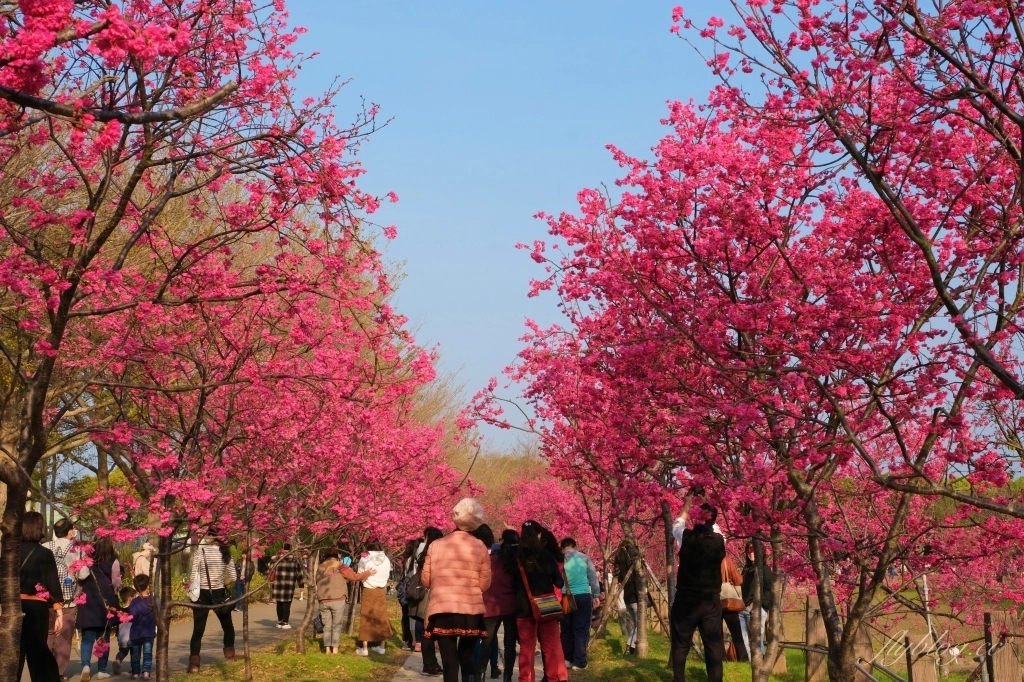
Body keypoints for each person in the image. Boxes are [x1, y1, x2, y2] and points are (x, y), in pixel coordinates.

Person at [421, 498, 491, 682]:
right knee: (466, 656)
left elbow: (426, 580)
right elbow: (484, 584)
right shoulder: (480, 546)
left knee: (449, 661)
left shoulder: (436, 545)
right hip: (470, 610)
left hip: (442, 608)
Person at [670, 504, 727, 682]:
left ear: (696, 518)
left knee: (680, 644)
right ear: (713, 520)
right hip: (710, 601)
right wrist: (707, 506)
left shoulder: (686, 537)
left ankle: (679, 679)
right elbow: (716, 528)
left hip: (686, 600)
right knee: (714, 645)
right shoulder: (719, 540)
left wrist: (687, 505)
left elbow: (677, 524)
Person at [514, 520, 567, 682]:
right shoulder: (547, 556)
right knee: (550, 647)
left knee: (526, 648)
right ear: (538, 534)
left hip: (524, 607)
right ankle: (553, 678)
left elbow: (512, 583)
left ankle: (526, 679)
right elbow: (559, 582)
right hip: (547, 607)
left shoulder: (516, 558)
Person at [18, 510, 64, 682]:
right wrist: (59, 611)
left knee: (14, 652)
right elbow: (52, 583)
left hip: (13, 605)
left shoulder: (10, 553)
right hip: (37, 608)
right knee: (38, 650)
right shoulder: (44, 553)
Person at [187, 536, 237, 673]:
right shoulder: (225, 552)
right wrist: (220, 584)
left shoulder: (201, 552)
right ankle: (230, 655)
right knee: (227, 626)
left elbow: (193, 577)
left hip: (201, 594)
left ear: (212, 537)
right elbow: (233, 576)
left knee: (198, 630)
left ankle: (194, 664)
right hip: (219, 593)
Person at [78, 535, 122, 682]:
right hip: (106, 602)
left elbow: (80, 576)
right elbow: (117, 583)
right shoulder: (113, 560)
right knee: (104, 637)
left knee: (87, 637)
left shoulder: (86, 557)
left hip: (87, 600)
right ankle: (102, 670)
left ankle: (85, 666)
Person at [44, 517, 83, 679]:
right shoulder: (77, 550)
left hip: (47, 599)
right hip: (68, 601)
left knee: (48, 634)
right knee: (64, 638)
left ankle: (45, 669)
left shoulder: (45, 547)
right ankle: (59, 672)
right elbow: (84, 573)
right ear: (69, 531)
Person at [316, 546, 372, 654]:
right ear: (337, 555)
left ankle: (327, 649)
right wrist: (368, 572)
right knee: (337, 625)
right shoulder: (341, 566)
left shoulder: (320, 567)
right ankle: (335, 649)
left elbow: (316, 581)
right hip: (338, 598)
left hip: (323, 599)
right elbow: (354, 577)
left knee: (326, 625)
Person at [481, 529, 519, 682]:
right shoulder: (518, 561)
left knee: (487, 642)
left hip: (491, 605)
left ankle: (481, 673)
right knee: (510, 644)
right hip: (511, 606)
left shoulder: (492, 558)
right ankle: (507, 676)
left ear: (502, 541)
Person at [559, 538, 600, 670]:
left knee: (566, 629)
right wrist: (596, 594)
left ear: (562, 547)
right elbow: (593, 577)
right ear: (574, 546)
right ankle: (580, 662)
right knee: (581, 629)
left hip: (565, 598)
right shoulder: (584, 557)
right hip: (583, 596)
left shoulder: (558, 558)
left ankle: (567, 659)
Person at [410, 527, 444, 676]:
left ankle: (430, 663)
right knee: (429, 632)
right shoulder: (438, 554)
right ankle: (430, 664)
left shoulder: (426, 554)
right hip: (432, 595)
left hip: (427, 595)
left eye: (424, 537)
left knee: (427, 632)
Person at [356, 542, 393, 655]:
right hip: (381, 589)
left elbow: (360, 574)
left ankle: (365, 648)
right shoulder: (386, 559)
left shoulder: (365, 558)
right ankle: (382, 646)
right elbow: (388, 573)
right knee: (382, 616)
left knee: (366, 616)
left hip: (368, 589)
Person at [740, 542, 775, 657]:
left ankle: (761, 664)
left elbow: (768, 589)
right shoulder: (746, 569)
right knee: (744, 639)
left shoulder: (764, 569)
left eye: (753, 550)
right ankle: (750, 664)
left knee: (756, 639)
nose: (750, 553)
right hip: (743, 608)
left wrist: (759, 606)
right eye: (748, 550)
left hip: (756, 609)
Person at [613, 539, 641, 656]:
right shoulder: (634, 569)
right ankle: (630, 647)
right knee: (638, 625)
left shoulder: (621, 570)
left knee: (636, 624)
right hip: (635, 596)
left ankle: (631, 647)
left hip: (627, 598)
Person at [721, 551, 748, 662]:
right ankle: (743, 660)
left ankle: (720, 660)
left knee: (716, 636)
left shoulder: (704, 560)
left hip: (711, 602)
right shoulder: (725, 560)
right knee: (737, 635)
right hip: (728, 602)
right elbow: (738, 579)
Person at [128, 574, 157, 679]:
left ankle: (135, 673)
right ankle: (146, 672)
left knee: (135, 655)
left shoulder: (134, 603)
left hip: (136, 633)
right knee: (147, 653)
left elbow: (131, 617)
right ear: (148, 586)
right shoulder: (153, 601)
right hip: (149, 632)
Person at [269, 543, 304, 628]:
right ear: (290, 549)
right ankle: (285, 622)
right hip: (289, 584)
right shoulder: (295, 560)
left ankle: (279, 621)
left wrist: (272, 559)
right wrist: (301, 584)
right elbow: (299, 573)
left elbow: (270, 567)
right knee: (287, 604)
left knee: (279, 603)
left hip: (278, 584)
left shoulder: (276, 559)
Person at [399, 538, 420, 650]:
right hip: (415, 590)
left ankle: (410, 641)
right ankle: (415, 641)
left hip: (407, 590)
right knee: (415, 616)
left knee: (408, 616)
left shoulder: (408, 560)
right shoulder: (416, 560)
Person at [113, 586, 136, 676]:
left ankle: (118, 661)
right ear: (131, 598)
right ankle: (134, 668)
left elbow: (118, 626)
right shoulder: (134, 610)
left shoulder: (120, 611)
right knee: (134, 653)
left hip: (122, 636)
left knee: (123, 651)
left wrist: (118, 635)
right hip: (133, 636)